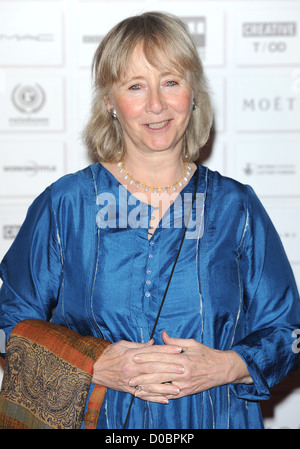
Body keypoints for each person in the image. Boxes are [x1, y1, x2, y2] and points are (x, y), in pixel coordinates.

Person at [0, 11, 300, 430]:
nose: (156, 104)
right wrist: (93, 363)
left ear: (193, 92)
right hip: (97, 419)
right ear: (109, 101)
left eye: (171, 81)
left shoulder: (237, 207)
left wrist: (227, 366)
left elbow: (288, 330)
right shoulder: (67, 204)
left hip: (217, 417)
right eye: (136, 86)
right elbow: (9, 322)